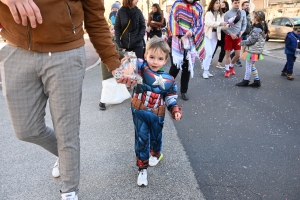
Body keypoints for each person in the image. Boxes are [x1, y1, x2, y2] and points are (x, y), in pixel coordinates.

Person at [0, 0, 133, 199]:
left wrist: (114, 63)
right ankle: (65, 157)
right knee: (26, 130)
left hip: (66, 52)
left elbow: (95, 20)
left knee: (67, 132)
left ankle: (69, 191)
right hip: (15, 48)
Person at [129, 36, 182, 187]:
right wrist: (127, 63)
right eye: (151, 57)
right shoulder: (140, 67)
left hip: (158, 114)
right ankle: (142, 169)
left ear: (165, 60)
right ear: (145, 55)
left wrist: (175, 109)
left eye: (159, 58)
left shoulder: (169, 79)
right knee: (142, 139)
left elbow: (171, 97)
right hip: (140, 111)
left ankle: (156, 153)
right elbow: (130, 63)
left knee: (156, 136)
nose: (154, 61)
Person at [168, 0, 205, 100]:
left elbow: (200, 25)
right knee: (175, 66)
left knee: (187, 67)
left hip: (190, 41)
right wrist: (181, 35)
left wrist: (192, 32)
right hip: (177, 39)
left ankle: (184, 91)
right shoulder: (177, 4)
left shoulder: (199, 7)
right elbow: (172, 20)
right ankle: (166, 86)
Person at [99, 22, 131, 110]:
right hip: (108, 67)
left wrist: (121, 50)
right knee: (108, 84)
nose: (114, 30)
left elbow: (116, 50)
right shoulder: (107, 42)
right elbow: (114, 52)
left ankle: (120, 97)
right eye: (112, 29)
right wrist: (123, 54)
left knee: (117, 82)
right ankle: (102, 102)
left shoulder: (111, 41)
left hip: (114, 65)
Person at [235, 11, 268, 87]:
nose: (252, 18)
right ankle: (257, 81)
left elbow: (252, 41)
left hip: (252, 50)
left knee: (248, 66)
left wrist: (242, 43)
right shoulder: (262, 26)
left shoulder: (257, 28)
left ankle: (245, 81)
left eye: (253, 16)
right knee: (252, 65)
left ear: (256, 18)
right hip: (256, 49)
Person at [202, 0, 227, 79]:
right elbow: (208, 22)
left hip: (215, 36)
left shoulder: (220, 14)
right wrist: (220, 23)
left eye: (219, 3)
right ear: (212, 4)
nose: (218, 4)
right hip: (208, 35)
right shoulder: (208, 13)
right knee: (209, 54)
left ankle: (207, 70)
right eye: (216, 3)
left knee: (211, 54)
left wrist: (229, 25)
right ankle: (205, 71)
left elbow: (222, 26)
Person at [223, 0, 247, 78]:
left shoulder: (242, 12)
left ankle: (231, 66)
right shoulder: (227, 14)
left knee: (237, 55)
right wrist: (230, 33)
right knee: (228, 54)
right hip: (229, 36)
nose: (237, 4)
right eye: (235, 3)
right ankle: (227, 70)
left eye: (238, 2)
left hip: (238, 36)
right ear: (232, 3)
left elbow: (244, 24)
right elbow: (224, 27)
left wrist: (242, 32)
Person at [230, 1, 251, 68]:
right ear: (242, 6)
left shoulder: (248, 14)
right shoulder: (240, 13)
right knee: (239, 48)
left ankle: (233, 56)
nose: (247, 6)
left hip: (246, 33)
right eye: (246, 5)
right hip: (241, 33)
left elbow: (248, 24)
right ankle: (236, 59)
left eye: (248, 5)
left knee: (242, 48)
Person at [212, 0, 229, 69]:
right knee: (214, 46)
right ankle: (209, 60)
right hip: (218, 31)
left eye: (222, 4)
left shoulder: (227, 13)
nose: (220, 5)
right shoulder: (218, 13)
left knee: (223, 48)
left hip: (225, 32)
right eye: (219, 4)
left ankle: (219, 63)